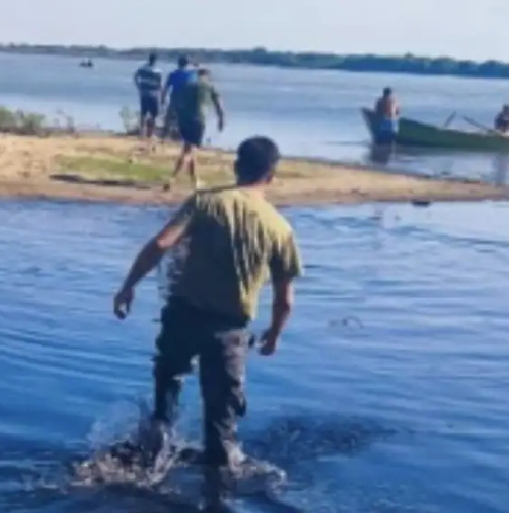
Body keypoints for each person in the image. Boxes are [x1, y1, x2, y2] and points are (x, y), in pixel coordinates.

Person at [112, 136, 304, 510]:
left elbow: (162, 244)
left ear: (236, 167)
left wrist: (128, 287)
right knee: (220, 424)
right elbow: (285, 298)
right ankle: (217, 499)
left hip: (183, 313)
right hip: (230, 331)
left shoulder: (206, 202)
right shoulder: (280, 228)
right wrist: (275, 334)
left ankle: (153, 451)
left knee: (168, 378)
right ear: (272, 174)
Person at [163, 68, 225, 191]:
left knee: (189, 148)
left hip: (183, 119)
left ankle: (195, 180)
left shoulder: (187, 86)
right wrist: (221, 119)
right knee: (189, 151)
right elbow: (219, 105)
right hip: (198, 120)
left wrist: (169, 120)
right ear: (207, 76)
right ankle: (173, 177)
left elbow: (174, 101)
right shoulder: (210, 87)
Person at [160, 55, 198, 141]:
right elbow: (198, 70)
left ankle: (165, 134)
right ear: (186, 64)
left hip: (175, 97)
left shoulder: (173, 74)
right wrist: (193, 63)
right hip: (186, 100)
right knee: (182, 119)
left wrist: (162, 98)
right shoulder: (191, 73)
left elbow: (166, 87)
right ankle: (181, 136)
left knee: (169, 117)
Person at [133, 52, 164, 150]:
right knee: (153, 115)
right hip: (153, 95)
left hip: (144, 93)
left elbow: (135, 76)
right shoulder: (158, 71)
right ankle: (150, 134)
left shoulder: (143, 68)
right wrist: (161, 94)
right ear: (155, 60)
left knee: (144, 113)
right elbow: (160, 84)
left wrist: (138, 86)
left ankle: (142, 133)